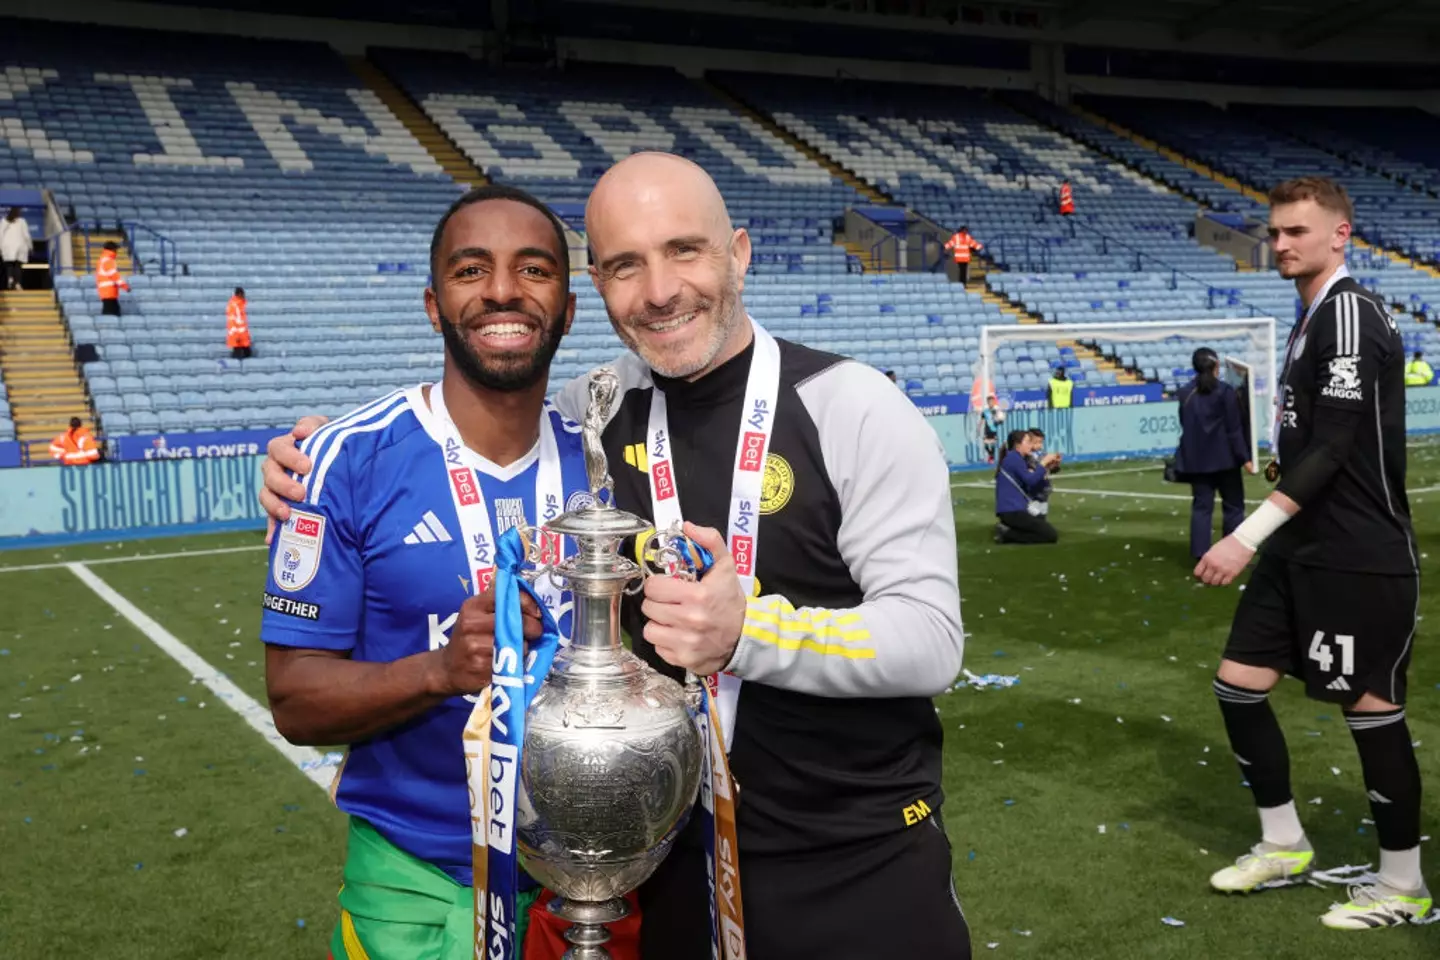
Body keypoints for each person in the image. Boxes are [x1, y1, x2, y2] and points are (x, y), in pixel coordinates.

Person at [260, 151, 969, 959]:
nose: (661, 290)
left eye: (685, 251)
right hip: (656, 866)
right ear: (594, 288)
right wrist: (309, 458)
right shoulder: (597, 418)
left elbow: (932, 641)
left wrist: (748, 633)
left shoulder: (854, 406)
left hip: (853, 859)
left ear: (737, 251)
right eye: (627, 264)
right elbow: (471, 411)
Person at [253, 184, 626, 959]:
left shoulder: (607, 464)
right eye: (470, 270)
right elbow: (294, 701)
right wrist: (440, 670)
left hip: (591, 883)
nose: (501, 290)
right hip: (413, 887)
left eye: (534, 270)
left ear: (568, 307)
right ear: (433, 303)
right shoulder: (341, 462)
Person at [1196, 176, 1430, 929]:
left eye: (1298, 231)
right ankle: (1284, 843)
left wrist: (1245, 534)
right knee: (1238, 686)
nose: (1282, 243)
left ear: (1341, 235)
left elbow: (1335, 446)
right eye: (1275, 232)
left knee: (1370, 710)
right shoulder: (1310, 317)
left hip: (1356, 552)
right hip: (1301, 549)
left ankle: (1402, 887)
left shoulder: (1353, 313)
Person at [1175, 347, 1251, 559]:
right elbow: (1234, 429)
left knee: (1201, 508)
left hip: (1197, 462)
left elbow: (1185, 423)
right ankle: (1230, 552)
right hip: (1225, 460)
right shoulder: (1226, 392)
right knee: (1234, 507)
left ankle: (1200, 554)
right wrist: (1245, 458)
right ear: (1216, 365)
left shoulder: (1184, 393)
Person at [993, 429, 1059, 544]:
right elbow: (1030, 481)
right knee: (1049, 535)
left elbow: (1031, 484)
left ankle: (1008, 531)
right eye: (1028, 442)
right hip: (1012, 510)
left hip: (1015, 509)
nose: (1031, 445)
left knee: (1042, 526)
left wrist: (1047, 468)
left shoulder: (1016, 458)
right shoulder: (1014, 459)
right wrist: (1043, 463)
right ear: (1018, 445)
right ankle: (1007, 534)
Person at [1, 207, 32, 291]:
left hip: (7, 247)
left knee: (9, 265)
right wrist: (30, 246)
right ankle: (17, 283)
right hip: (19, 246)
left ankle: (10, 279)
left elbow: (0, 235)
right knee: (17, 266)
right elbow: (26, 235)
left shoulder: (4, 221)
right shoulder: (22, 221)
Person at [95, 241, 128, 316]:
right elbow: (114, 275)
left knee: (112, 311)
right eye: (116, 249)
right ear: (112, 249)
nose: (117, 251)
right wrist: (125, 286)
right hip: (109, 291)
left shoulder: (103, 259)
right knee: (111, 313)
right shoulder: (108, 260)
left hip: (106, 291)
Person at [226, 287, 252, 359]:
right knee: (240, 353)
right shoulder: (235, 306)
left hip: (242, 334)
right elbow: (232, 322)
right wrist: (236, 336)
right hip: (238, 334)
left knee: (246, 352)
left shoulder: (239, 304)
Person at [980, 395, 1005, 463]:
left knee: (993, 444)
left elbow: (1001, 421)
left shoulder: (997, 411)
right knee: (985, 444)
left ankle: (991, 458)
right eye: (989, 402)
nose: (990, 403)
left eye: (992, 402)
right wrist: (979, 428)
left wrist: (1000, 421)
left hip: (994, 430)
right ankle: (991, 455)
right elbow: (982, 420)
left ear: (994, 402)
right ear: (987, 403)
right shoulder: (985, 411)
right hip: (986, 429)